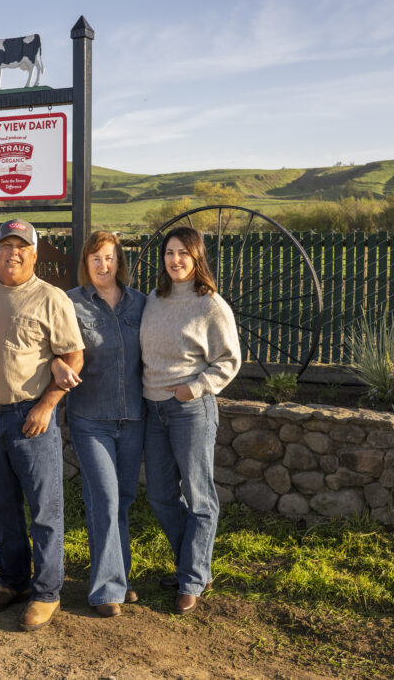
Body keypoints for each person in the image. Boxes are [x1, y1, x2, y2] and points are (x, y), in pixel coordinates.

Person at [0, 218, 84, 631]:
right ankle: (13, 582)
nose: (12, 253)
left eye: (22, 247)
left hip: (29, 417)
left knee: (44, 510)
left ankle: (47, 592)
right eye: (6, 246)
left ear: (34, 254)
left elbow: (73, 357)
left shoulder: (51, 298)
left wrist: (47, 404)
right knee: (3, 509)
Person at [139, 226, 241, 615]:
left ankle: (192, 578)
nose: (175, 259)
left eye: (184, 253)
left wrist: (194, 388)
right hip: (152, 408)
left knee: (199, 496)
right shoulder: (154, 299)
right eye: (169, 252)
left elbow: (228, 361)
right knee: (162, 494)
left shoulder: (210, 305)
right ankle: (193, 565)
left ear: (197, 258)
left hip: (189, 410)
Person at [51, 231, 146, 618]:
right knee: (104, 500)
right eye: (95, 259)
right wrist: (57, 363)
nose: (103, 266)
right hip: (91, 418)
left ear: (118, 261)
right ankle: (106, 589)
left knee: (122, 500)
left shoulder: (141, 303)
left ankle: (117, 577)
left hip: (134, 417)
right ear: (86, 264)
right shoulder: (71, 304)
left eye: (109, 258)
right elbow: (51, 346)